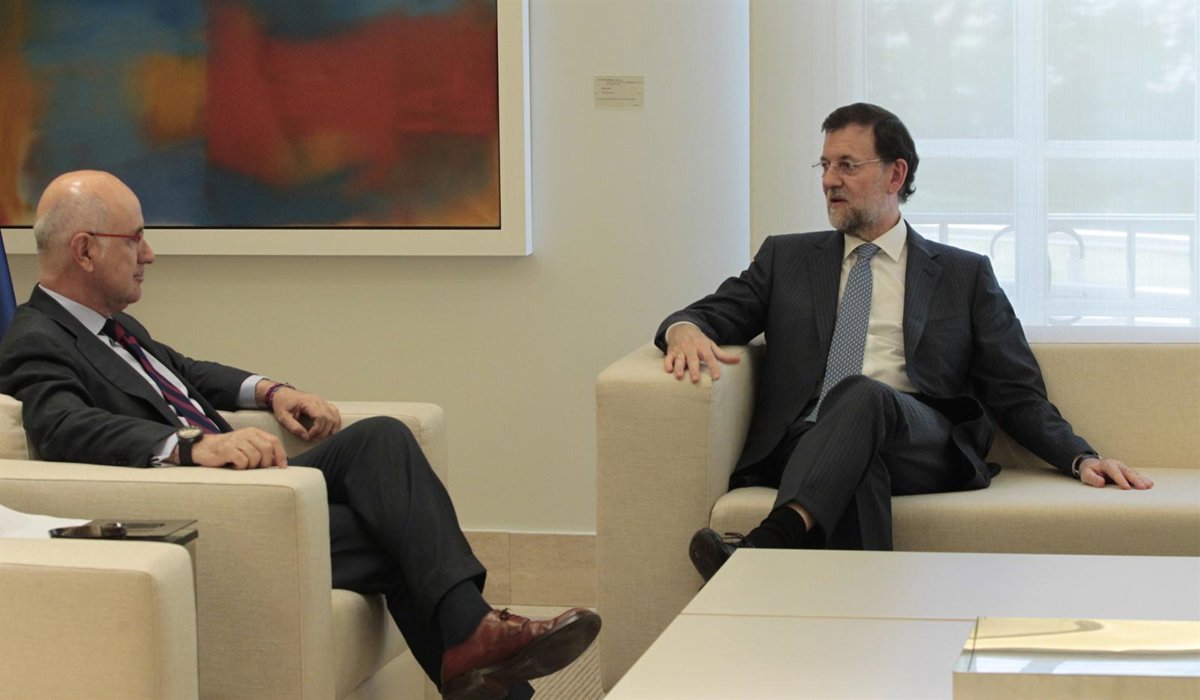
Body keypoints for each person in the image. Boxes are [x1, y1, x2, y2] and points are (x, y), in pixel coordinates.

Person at [0, 170, 600, 700]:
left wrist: (271, 391)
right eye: (134, 238)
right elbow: (63, 427)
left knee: (382, 438)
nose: (149, 254)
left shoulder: (117, 327)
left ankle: (472, 643)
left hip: (260, 487)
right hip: (213, 505)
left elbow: (188, 373)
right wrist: (191, 445)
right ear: (84, 250)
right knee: (397, 534)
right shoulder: (35, 339)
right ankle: (478, 641)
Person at [657, 103, 1154, 581]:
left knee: (861, 393)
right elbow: (708, 314)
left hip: (922, 440)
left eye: (847, 165)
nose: (829, 180)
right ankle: (860, 623)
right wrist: (683, 330)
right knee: (859, 467)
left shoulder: (963, 274)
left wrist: (1080, 456)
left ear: (896, 175)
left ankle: (770, 543)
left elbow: (1016, 390)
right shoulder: (785, 259)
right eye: (825, 165)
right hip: (806, 440)